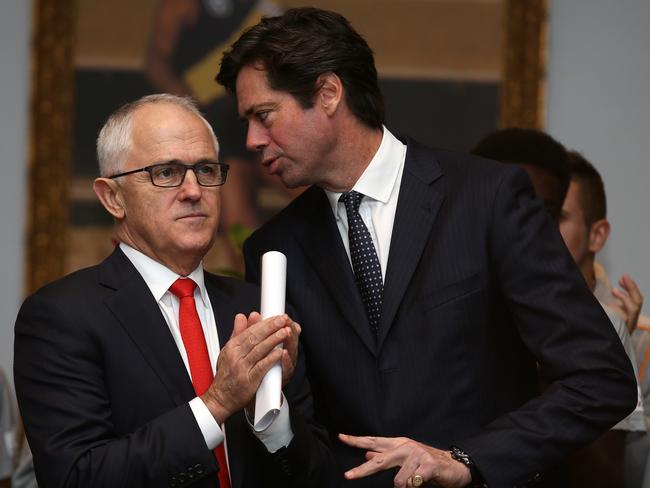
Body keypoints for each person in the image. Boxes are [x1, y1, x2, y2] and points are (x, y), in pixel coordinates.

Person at [215, 7, 637, 487]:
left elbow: (602, 380)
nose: (251, 139)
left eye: (264, 115)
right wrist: (269, 412)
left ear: (328, 93)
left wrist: (467, 460)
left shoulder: (487, 198)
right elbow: (307, 449)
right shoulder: (276, 249)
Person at [14, 94, 331, 487]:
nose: (194, 190)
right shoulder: (62, 316)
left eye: (205, 169)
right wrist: (217, 403)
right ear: (113, 197)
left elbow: (315, 474)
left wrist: (267, 412)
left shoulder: (257, 308)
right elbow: (77, 478)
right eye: (166, 173)